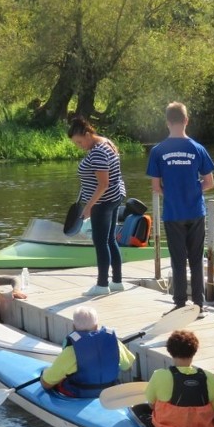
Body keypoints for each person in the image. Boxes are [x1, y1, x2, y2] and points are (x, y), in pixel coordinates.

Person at [146, 102, 214, 317]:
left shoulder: (158, 151)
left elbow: (156, 188)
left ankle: (179, 304)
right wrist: (194, 191)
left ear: (167, 122)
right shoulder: (197, 148)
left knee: (178, 260)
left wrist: (173, 194)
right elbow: (209, 182)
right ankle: (199, 306)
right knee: (196, 260)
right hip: (196, 211)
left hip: (173, 213)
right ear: (186, 120)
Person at [68, 116, 127, 296]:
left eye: (79, 142)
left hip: (103, 201)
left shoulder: (98, 152)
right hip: (114, 197)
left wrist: (89, 207)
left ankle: (102, 285)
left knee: (100, 242)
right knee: (109, 240)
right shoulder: (105, 142)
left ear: (87, 134)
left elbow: (103, 184)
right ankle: (117, 282)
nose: (79, 146)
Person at [40, 306, 136, 398]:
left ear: (74, 326)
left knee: (55, 380)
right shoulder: (115, 343)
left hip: (79, 394)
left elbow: (46, 384)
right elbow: (127, 367)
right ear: (96, 326)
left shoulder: (70, 352)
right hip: (109, 391)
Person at [144, 330, 214, 427]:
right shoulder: (209, 377)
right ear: (194, 351)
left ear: (170, 351)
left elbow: (151, 405)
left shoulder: (159, 375)